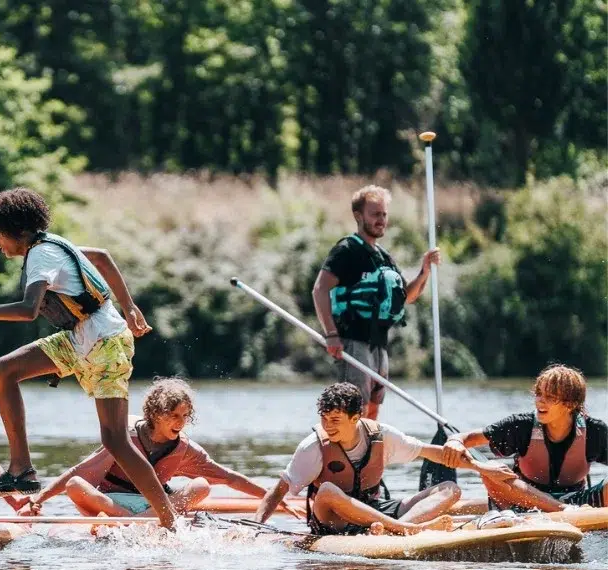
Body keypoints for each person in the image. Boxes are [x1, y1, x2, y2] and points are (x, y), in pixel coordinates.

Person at [0, 187, 177, 529]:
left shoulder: (41, 256)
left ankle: (170, 521)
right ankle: (22, 469)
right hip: (82, 338)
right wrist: (128, 306)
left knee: (115, 440)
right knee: (3, 371)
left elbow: (28, 310)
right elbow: (101, 257)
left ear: (16, 230)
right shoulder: (53, 245)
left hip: (105, 344)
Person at [255, 383, 515, 535]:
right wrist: (256, 527)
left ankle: (394, 529)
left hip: (376, 513)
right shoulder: (313, 446)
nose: (327, 426)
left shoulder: (381, 436)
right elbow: (279, 489)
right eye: (324, 419)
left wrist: (482, 468)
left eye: (335, 419)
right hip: (334, 520)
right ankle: (405, 529)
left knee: (450, 489)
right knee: (327, 490)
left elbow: (432, 452)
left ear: (356, 417)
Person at [21, 378, 297, 518]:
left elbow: (230, 478)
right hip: (112, 502)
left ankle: (139, 520)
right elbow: (78, 471)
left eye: (184, 416)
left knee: (202, 485)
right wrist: (38, 500)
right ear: (154, 413)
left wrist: (273, 498)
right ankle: (139, 520)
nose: (180, 422)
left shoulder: (185, 448)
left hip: (157, 507)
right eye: (173, 415)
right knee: (75, 485)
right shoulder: (123, 437)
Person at [312, 185, 440, 419]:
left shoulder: (383, 256)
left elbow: (407, 297)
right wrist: (331, 334)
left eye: (384, 214)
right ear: (358, 216)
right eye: (375, 214)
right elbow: (319, 290)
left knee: (373, 411)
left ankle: (370, 445)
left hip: (379, 343)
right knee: (354, 411)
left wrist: (424, 271)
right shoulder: (346, 250)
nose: (381, 220)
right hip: (353, 341)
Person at [441, 364, 607, 511]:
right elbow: (466, 438)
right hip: (524, 501)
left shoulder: (595, 431)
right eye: (538, 394)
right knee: (490, 470)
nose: (540, 401)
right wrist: (455, 441)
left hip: (578, 502)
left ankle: (565, 509)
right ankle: (558, 509)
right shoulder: (521, 425)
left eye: (550, 397)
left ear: (570, 404)